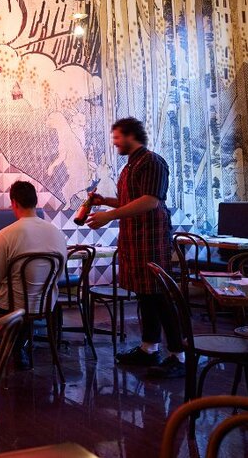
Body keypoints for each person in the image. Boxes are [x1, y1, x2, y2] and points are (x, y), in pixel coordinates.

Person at [86, 117, 183, 378]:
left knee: (161, 296)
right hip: (135, 238)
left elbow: (150, 201)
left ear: (131, 136)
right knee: (145, 294)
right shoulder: (130, 166)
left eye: (118, 137)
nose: (115, 142)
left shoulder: (152, 161)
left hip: (151, 237)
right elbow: (131, 200)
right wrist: (105, 201)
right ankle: (149, 348)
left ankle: (179, 355)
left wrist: (109, 216)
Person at [0, 181, 67, 314]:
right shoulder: (57, 233)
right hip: (46, 304)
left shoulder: (5, 235)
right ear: (35, 202)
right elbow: (59, 276)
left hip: (11, 306)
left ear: (14, 203)